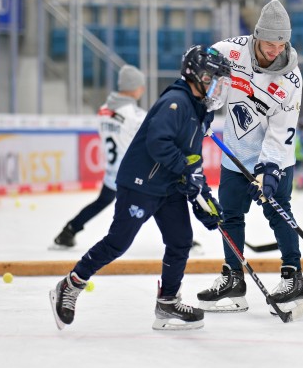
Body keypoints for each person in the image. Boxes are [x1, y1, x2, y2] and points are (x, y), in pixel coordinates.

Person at [49, 45, 232, 331]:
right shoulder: (176, 102)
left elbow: (192, 159)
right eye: (211, 79)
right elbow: (159, 144)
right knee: (117, 243)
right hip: (140, 183)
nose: (216, 86)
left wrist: (203, 197)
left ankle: (167, 301)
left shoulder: (200, 110)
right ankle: (70, 284)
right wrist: (186, 172)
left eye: (219, 81)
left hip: (167, 186)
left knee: (181, 240)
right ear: (194, 75)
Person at [196, 0, 303, 315]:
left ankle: (293, 278)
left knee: (278, 212)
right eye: (270, 43)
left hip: (274, 158)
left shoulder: (291, 79)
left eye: (281, 44)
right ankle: (234, 279)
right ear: (257, 36)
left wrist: (269, 170)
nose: (275, 50)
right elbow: (204, 74)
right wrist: (203, 107)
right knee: (229, 215)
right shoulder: (230, 52)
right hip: (234, 155)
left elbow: (282, 130)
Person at [51, 65, 147, 249]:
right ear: (134, 87)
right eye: (141, 85)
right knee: (159, 201)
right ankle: (182, 240)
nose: (142, 89)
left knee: (103, 201)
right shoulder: (135, 115)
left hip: (112, 170)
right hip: (132, 172)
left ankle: (69, 230)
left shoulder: (103, 110)